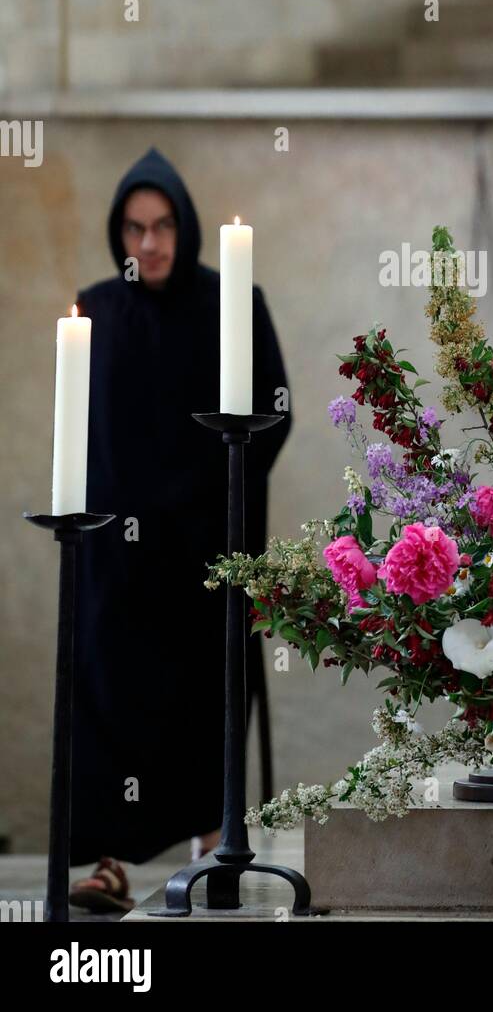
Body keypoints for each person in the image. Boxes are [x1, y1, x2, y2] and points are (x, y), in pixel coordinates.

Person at [68, 148, 290, 913]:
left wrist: (206, 503)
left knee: (206, 695)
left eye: (162, 226)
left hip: (205, 548)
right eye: (134, 228)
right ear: (118, 235)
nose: (150, 244)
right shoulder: (96, 307)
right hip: (119, 561)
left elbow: (273, 411)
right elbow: (90, 437)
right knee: (104, 693)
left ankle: (208, 851)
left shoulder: (231, 301)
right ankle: (107, 863)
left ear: (185, 228)